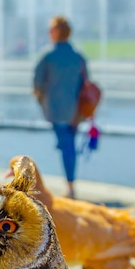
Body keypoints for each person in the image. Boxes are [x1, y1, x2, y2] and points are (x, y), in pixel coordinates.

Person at [33, 15, 88, 199]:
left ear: (56, 32)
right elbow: (85, 83)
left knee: (66, 145)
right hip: (75, 111)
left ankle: (71, 187)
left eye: (50, 30)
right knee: (68, 145)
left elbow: (37, 85)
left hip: (55, 110)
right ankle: (71, 184)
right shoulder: (78, 56)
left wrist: (42, 102)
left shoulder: (48, 56)